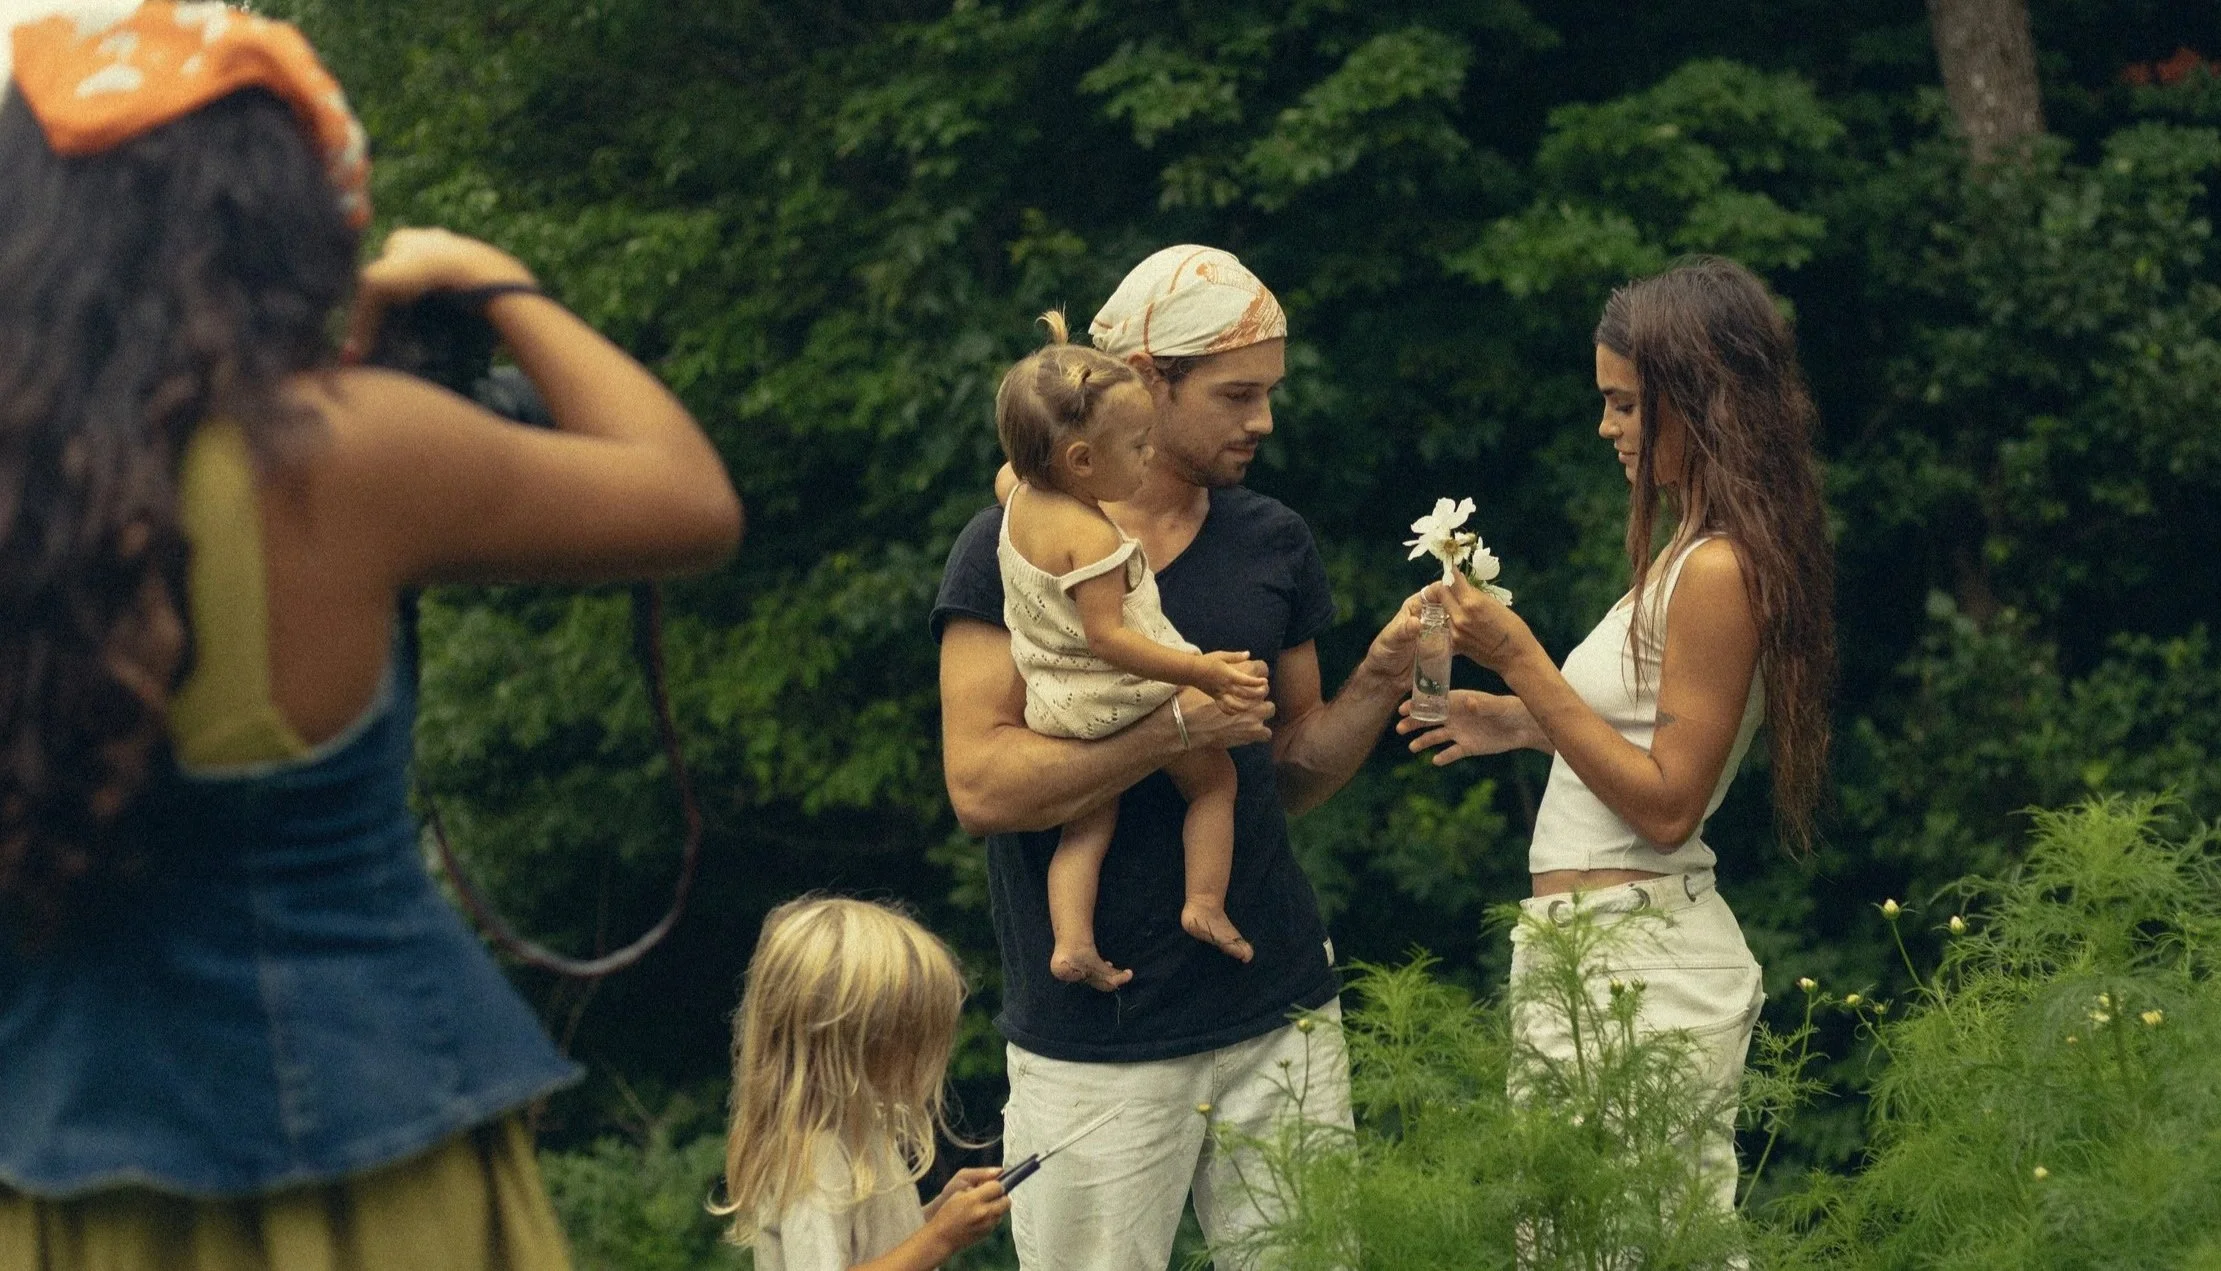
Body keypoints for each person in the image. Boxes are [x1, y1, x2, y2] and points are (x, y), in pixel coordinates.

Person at [0, 6, 741, 1266]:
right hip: (375, 1170)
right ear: (284, 221)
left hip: (52, 1188)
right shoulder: (343, 453)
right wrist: (494, 283)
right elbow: (687, 498)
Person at [933, 245, 1423, 1269]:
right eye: (1237, 394)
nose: (1264, 420)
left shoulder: (1272, 539)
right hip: (1095, 1035)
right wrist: (1169, 731)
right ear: (1149, 381)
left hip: (1278, 1014)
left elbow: (1289, 773)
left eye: (1269, 392)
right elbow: (980, 788)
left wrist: (1381, 676)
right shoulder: (1009, 548)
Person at [1402, 255, 1836, 1213]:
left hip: (1642, 962)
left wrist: (1520, 661)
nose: (1607, 427)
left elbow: (1670, 803)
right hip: (1596, 952)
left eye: (1626, 404)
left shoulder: (1716, 570)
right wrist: (1517, 722)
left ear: (1702, 402)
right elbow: (1646, 734)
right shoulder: (1688, 549)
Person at [991, 311, 1271, 991]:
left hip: (1054, 701)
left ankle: (1071, 943)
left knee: (1086, 825)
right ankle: (1203, 902)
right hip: (1115, 690)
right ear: (1082, 462)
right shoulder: (1095, 543)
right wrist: (1200, 671)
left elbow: (1012, 468)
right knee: (1215, 781)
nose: (1149, 458)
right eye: (1138, 446)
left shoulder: (1018, 496)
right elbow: (1110, 639)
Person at [711, 897, 1011, 1270]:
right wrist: (940, 1237)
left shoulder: (857, 1127)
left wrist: (938, 1215)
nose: (916, 1052)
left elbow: (870, 1247)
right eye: (906, 1031)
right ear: (851, 1040)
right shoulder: (813, 1156)